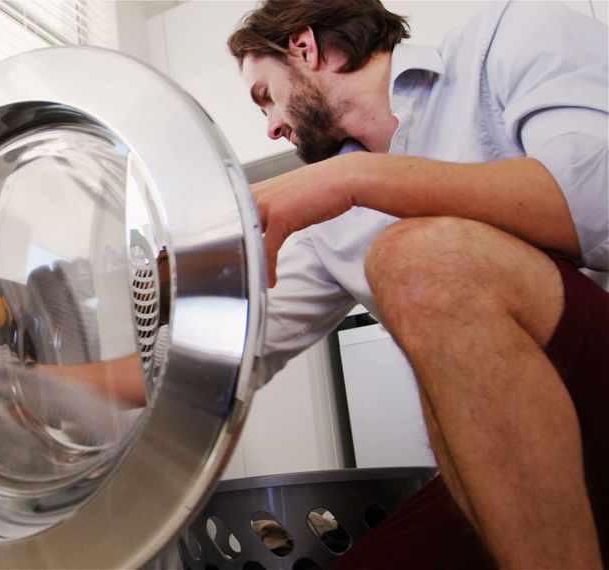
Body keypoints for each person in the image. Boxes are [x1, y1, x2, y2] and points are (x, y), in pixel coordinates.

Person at [227, 0, 608, 568]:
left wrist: (355, 179)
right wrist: (55, 388)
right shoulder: (330, 220)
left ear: (304, 47)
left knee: (418, 255)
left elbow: (596, 202)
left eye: (266, 95)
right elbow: (235, 355)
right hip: (516, 458)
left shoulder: (506, 38)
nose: (272, 125)